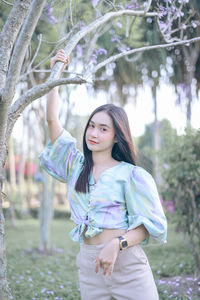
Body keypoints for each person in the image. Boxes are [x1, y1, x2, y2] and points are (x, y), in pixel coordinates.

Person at [38, 49, 167, 300]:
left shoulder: (132, 175)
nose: (93, 133)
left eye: (103, 129)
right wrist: (55, 75)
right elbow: (52, 120)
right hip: (90, 266)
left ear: (117, 135)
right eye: (92, 126)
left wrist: (116, 243)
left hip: (127, 265)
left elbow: (150, 225)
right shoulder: (76, 166)